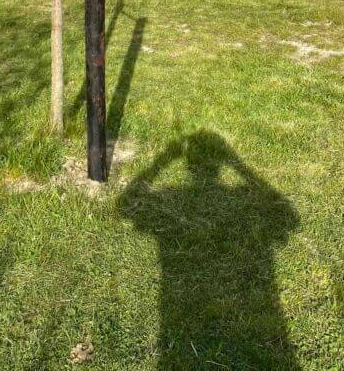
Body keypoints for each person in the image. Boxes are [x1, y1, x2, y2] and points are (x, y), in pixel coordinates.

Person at [118, 131, 300, 369]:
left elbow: (126, 205)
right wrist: (240, 166)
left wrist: (163, 159)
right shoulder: (238, 201)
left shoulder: (171, 199)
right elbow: (289, 218)